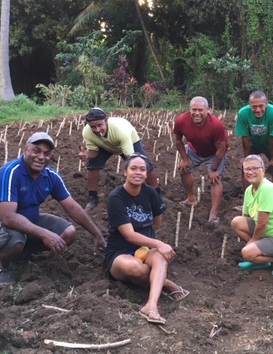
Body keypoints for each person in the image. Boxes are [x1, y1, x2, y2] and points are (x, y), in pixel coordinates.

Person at [0, 132, 107, 288]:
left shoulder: (51, 176)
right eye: (36, 151)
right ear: (25, 150)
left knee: (69, 232)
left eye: (46, 153)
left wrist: (96, 234)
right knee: (13, 239)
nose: (41, 157)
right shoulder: (10, 173)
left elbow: (72, 207)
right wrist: (44, 234)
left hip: (28, 220)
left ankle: (21, 254)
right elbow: (8, 217)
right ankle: (3, 267)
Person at [105, 153, 189, 325]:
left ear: (146, 173)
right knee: (138, 269)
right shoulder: (116, 197)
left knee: (160, 256)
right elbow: (129, 235)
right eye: (133, 168)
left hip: (144, 249)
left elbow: (156, 222)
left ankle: (151, 305)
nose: (138, 172)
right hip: (120, 252)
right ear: (125, 172)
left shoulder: (150, 192)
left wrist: (154, 245)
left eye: (142, 169)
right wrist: (158, 243)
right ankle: (165, 282)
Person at [78, 108, 165, 210]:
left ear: (106, 120)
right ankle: (93, 198)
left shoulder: (120, 130)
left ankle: (157, 192)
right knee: (92, 165)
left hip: (129, 141)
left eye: (100, 125)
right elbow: (94, 152)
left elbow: (131, 159)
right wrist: (87, 155)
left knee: (144, 164)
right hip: (105, 146)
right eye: (93, 127)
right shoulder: (87, 132)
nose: (97, 130)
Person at [231, 155, 273, 278]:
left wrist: (253, 242)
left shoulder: (266, 189)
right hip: (269, 232)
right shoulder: (249, 190)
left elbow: (262, 223)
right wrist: (254, 243)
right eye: (247, 169)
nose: (250, 172)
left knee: (247, 253)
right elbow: (246, 217)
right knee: (237, 222)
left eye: (255, 168)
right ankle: (261, 259)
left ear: (263, 171)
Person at [173, 96, 229, 224]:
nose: (197, 113)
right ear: (190, 109)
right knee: (183, 169)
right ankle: (191, 198)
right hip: (194, 149)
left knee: (215, 179)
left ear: (207, 110)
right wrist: (184, 159)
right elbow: (178, 140)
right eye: (194, 110)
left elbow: (221, 149)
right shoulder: (182, 120)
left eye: (200, 110)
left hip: (214, 152)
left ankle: (213, 213)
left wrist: (214, 169)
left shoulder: (216, 125)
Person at [235, 91, 273, 189]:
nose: (258, 110)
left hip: (272, 143)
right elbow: (245, 137)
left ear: (266, 104)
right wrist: (246, 157)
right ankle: (247, 199)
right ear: (249, 105)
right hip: (254, 143)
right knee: (246, 167)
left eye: (261, 106)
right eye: (254, 107)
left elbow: (272, 136)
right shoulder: (243, 113)